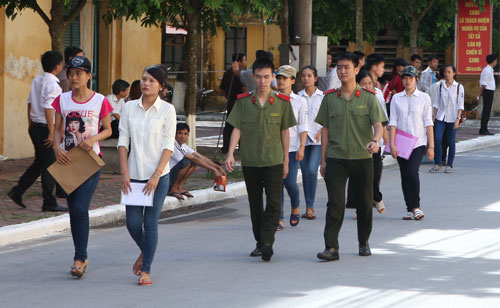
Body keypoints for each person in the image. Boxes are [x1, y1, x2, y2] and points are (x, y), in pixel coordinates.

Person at [315, 53, 387, 261]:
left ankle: (363, 241)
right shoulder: (329, 98)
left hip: (362, 158)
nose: (342, 71)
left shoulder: (368, 98)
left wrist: (375, 140)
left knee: (364, 203)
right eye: (339, 67)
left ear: (356, 70)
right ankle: (331, 247)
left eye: (347, 67)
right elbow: (325, 131)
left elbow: (379, 126)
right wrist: (323, 160)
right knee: (335, 203)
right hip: (336, 158)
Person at [225, 57, 296, 262]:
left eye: (266, 77)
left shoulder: (282, 102)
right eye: (259, 77)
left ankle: (267, 242)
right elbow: (237, 128)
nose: (263, 81)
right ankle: (260, 243)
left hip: (274, 160)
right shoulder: (244, 101)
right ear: (253, 77)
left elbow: (285, 133)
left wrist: (286, 161)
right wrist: (230, 153)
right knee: (255, 203)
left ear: (273, 77)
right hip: (250, 161)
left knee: (274, 203)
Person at [52, 56, 113, 277]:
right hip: (67, 161)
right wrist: (57, 148)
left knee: (80, 208)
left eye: (79, 73)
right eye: (71, 73)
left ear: (89, 76)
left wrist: (93, 138)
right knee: (73, 211)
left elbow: (108, 130)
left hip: (90, 161)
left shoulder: (99, 100)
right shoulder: (62, 99)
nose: (74, 77)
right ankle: (79, 256)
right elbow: (57, 129)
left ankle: (80, 257)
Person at [118, 65, 176, 286]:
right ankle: (146, 251)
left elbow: (168, 145)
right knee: (133, 224)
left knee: (150, 222)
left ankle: (146, 270)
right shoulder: (129, 107)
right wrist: (124, 172)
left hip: (158, 176)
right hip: (133, 174)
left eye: (152, 80)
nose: (146, 83)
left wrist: (156, 174)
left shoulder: (167, 110)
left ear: (161, 86)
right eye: (144, 79)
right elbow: (123, 141)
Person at [7, 51, 67, 212]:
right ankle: (49, 201)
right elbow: (49, 108)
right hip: (45, 128)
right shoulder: (53, 85)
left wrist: (29, 124)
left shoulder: (37, 80)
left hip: (35, 126)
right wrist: (51, 132)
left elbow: (29, 103)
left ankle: (18, 191)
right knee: (49, 165)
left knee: (39, 162)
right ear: (58, 66)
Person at [389, 66, 434, 221]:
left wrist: (431, 146)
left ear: (416, 79)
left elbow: (428, 122)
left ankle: (416, 207)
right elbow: (393, 122)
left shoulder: (424, 98)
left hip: (418, 142)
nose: (407, 81)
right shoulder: (396, 98)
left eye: (411, 78)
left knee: (412, 172)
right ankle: (409, 208)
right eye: (405, 78)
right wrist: (392, 144)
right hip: (401, 142)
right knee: (404, 175)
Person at [346, 70, 388, 216]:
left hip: (375, 141)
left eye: (369, 83)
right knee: (362, 177)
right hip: (359, 142)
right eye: (363, 84)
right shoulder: (353, 98)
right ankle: (364, 207)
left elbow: (382, 119)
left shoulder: (378, 96)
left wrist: (385, 135)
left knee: (375, 172)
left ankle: (375, 197)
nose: (367, 86)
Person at [275, 65, 308, 230]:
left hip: (293, 147)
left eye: (285, 78)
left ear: (293, 81)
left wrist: (302, 147)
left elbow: (303, 126)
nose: (281, 81)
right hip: (274, 148)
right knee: (276, 183)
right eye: (279, 77)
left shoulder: (300, 102)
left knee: (290, 182)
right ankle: (279, 217)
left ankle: (295, 205)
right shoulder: (272, 98)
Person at [168, 123, 226, 200]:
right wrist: (214, 170)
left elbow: (200, 157)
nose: (183, 136)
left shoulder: (184, 146)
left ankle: (179, 187)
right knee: (187, 161)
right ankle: (173, 189)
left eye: (185, 134)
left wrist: (217, 167)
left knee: (193, 163)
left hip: (174, 175)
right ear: (175, 134)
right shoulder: (173, 144)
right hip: (167, 177)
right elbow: (194, 158)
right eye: (180, 133)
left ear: (188, 135)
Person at [298, 66, 324, 220]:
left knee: (312, 171)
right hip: (302, 140)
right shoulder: (298, 97)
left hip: (317, 139)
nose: (306, 78)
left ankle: (310, 207)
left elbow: (327, 118)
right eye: (303, 76)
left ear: (315, 78)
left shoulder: (322, 97)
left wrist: (321, 132)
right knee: (305, 172)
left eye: (309, 76)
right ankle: (308, 206)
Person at [429, 65, 464, 174]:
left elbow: (460, 105)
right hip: (440, 117)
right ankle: (438, 163)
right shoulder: (440, 86)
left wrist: (458, 119)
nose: (447, 74)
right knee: (437, 139)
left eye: (449, 72)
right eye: (445, 72)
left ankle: (449, 164)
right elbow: (436, 103)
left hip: (453, 118)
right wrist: (433, 118)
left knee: (451, 142)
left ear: (454, 73)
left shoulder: (458, 87)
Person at [220, 53, 247, 154]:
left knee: (229, 125)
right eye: (244, 60)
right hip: (238, 101)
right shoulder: (239, 74)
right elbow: (244, 88)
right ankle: (241, 147)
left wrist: (227, 96)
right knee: (240, 124)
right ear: (239, 62)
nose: (246, 62)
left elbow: (222, 89)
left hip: (230, 101)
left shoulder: (227, 72)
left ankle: (226, 147)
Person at [478, 54, 498, 135]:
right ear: (493, 61)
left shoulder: (490, 70)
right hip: (487, 91)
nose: (496, 62)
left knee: (487, 110)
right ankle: (483, 129)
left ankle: (484, 128)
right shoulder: (486, 70)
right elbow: (484, 84)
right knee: (486, 111)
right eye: (496, 60)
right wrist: (480, 92)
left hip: (489, 91)